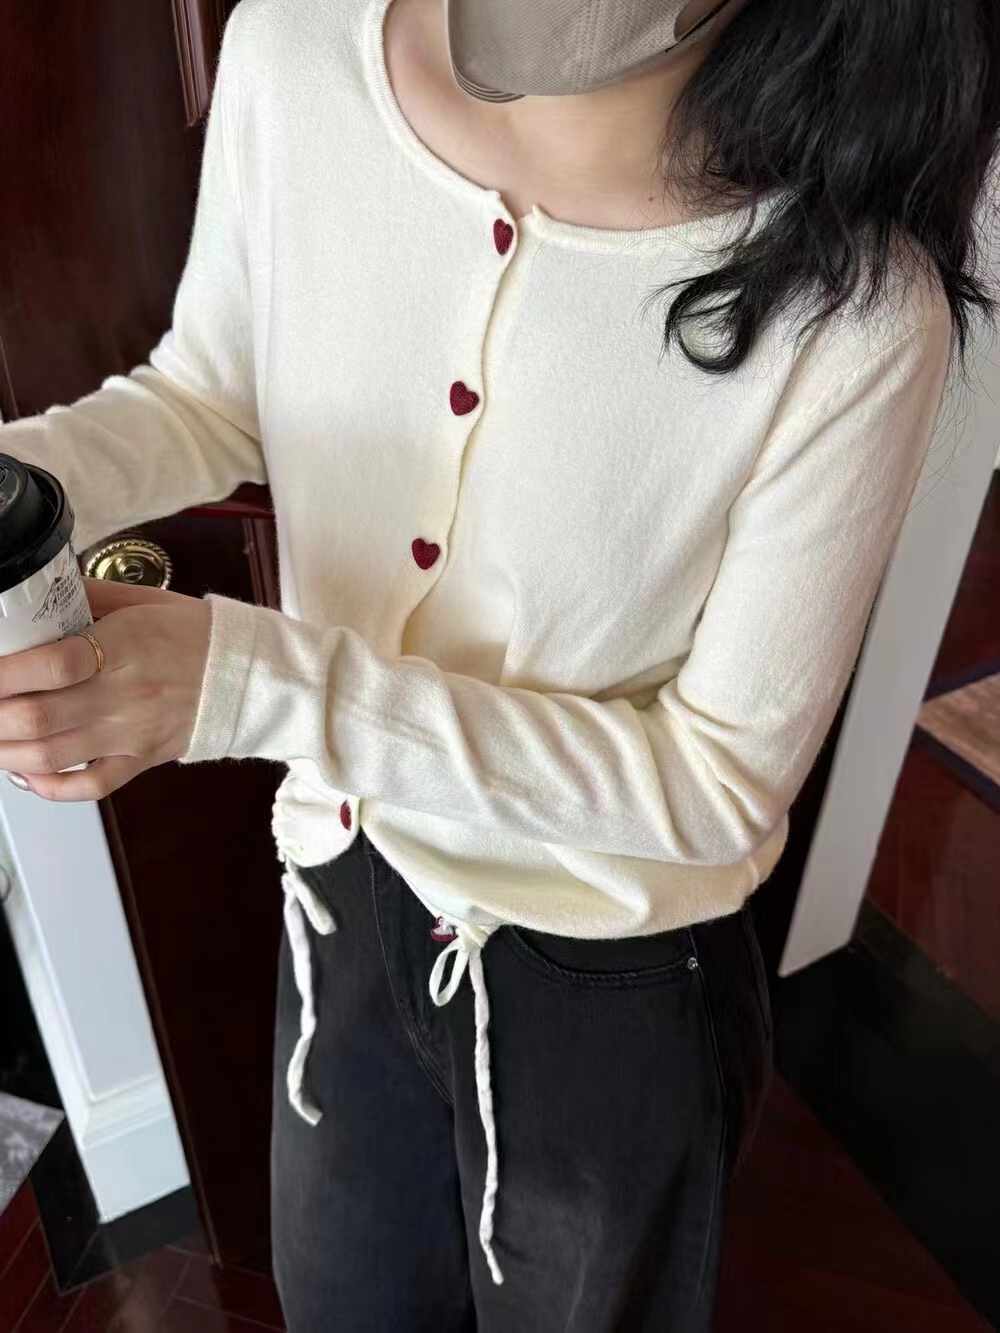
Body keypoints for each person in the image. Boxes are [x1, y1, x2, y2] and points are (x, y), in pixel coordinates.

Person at [0, 0, 997, 1327]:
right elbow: (211, 391)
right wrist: (20, 485)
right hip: (345, 884)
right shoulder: (297, 50)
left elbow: (714, 785)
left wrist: (250, 685)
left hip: (609, 973)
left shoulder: (854, 307)